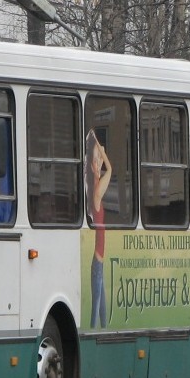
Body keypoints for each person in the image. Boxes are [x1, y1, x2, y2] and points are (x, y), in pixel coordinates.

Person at [86, 128, 112, 328]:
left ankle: (104, 336)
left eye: (99, 160)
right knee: (95, 311)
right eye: (95, 161)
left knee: (103, 313)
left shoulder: (94, 185)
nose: (99, 163)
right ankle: (92, 340)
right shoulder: (96, 191)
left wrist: (97, 146)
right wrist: (99, 152)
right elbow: (110, 170)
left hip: (99, 263)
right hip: (97, 262)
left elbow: (102, 161)